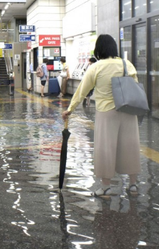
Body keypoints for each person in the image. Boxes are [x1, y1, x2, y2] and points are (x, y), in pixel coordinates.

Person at [62, 34, 141, 197]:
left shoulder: (96, 67)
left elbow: (82, 91)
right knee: (130, 146)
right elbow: (135, 86)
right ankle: (133, 185)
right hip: (128, 110)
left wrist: (70, 109)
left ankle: (105, 187)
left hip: (107, 112)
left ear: (98, 50)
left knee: (105, 148)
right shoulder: (127, 64)